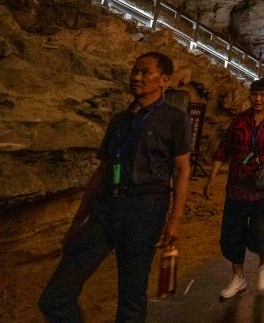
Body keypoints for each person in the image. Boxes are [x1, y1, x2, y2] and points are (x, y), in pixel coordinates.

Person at [39, 52, 191, 323]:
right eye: (135, 70)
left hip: (144, 212)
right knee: (55, 297)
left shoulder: (175, 119)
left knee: (131, 299)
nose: (136, 77)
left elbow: (182, 170)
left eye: (145, 72)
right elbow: (102, 172)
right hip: (106, 209)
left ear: (164, 80)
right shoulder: (120, 121)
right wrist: (78, 222)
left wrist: (174, 221)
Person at [204, 78, 264, 298]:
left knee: (260, 230)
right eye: (254, 94)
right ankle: (238, 277)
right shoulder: (240, 120)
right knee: (232, 232)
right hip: (237, 185)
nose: (258, 99)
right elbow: (224, 148)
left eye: (263, 95)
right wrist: (212, 178)